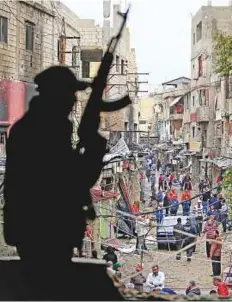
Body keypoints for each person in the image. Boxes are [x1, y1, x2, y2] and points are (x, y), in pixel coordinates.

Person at [3, 66, 106, 299]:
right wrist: (94, 147)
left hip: (37, 228)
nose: (73, 101)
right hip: (45, 229)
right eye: (70, 94)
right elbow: (75, 180)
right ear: (56, 95)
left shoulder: (36, 127)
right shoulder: (42, 131)